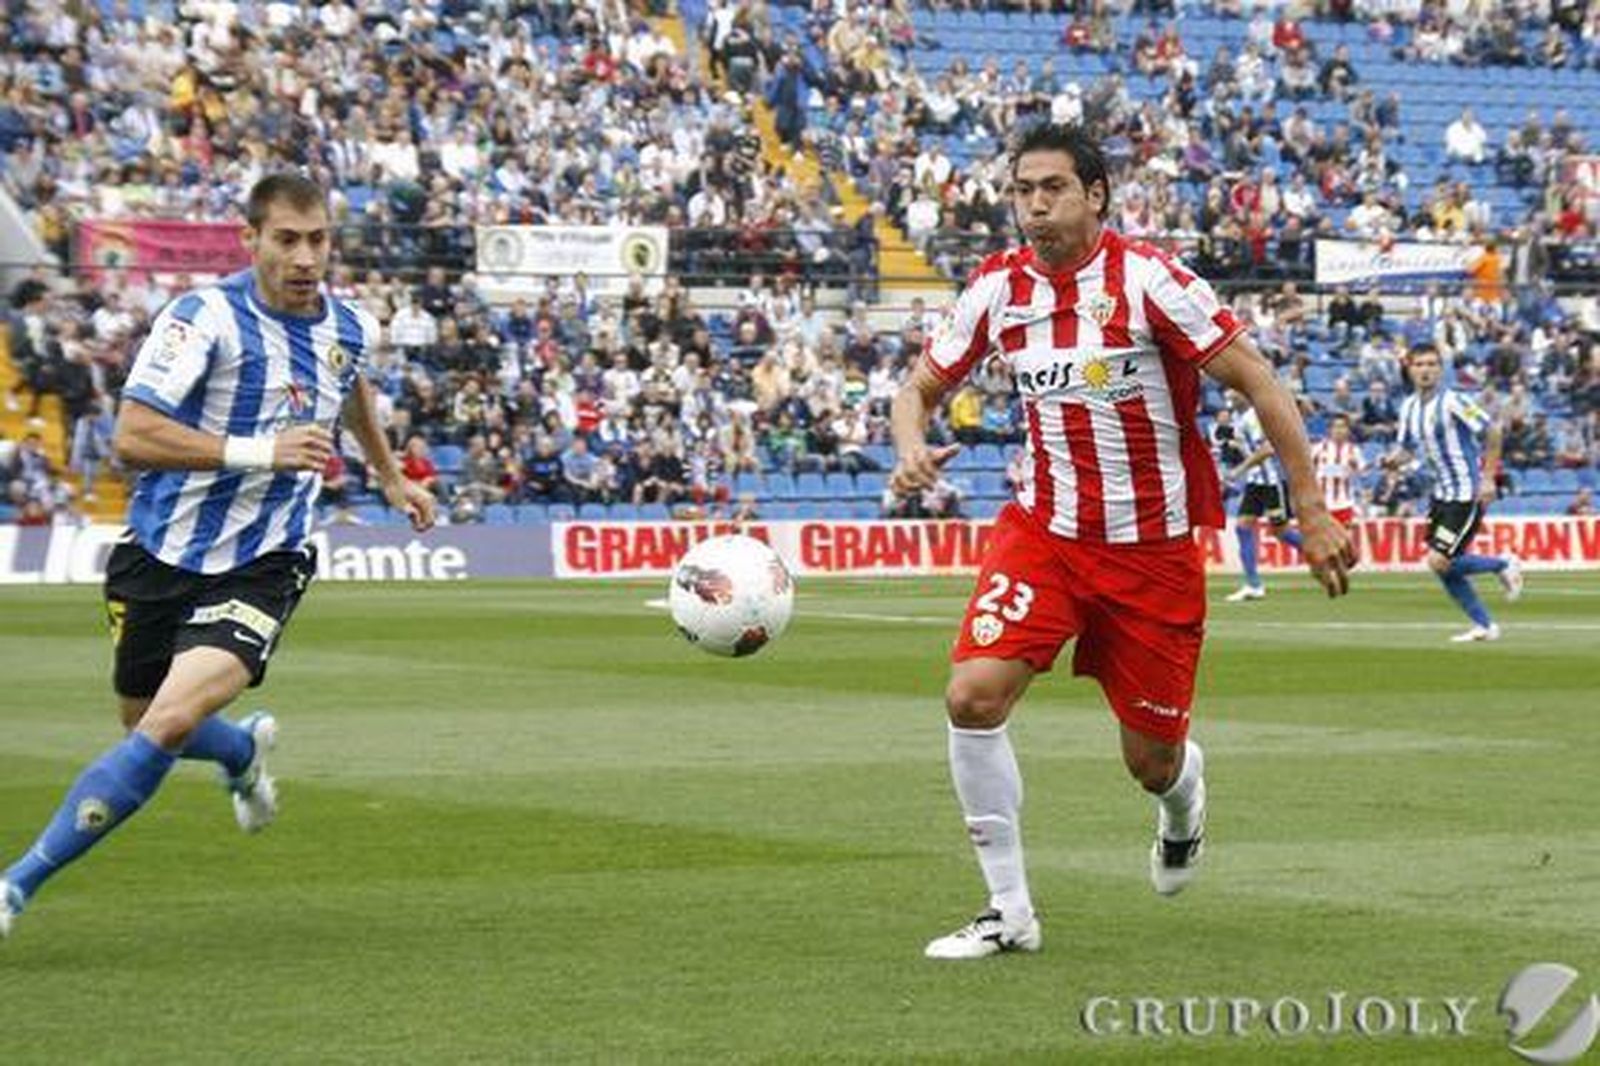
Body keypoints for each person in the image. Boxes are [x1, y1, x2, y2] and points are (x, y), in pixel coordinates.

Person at [892, 123, 1355, 961]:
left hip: (1152, 552)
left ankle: (1183, 803)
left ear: (1095, 195)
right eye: (1023, 190)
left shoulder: (1150, 281)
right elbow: (917, 386)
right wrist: (909, 447)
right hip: (1046, 534)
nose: (1035, 205)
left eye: (1053, 188)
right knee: (972, 698)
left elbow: (1259, 380)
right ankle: (1009, 911)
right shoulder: (997, 289)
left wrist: (1311, 507)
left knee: (1151, 761)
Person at [0, 174, 437, 940]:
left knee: (164, 724)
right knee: (141, 718)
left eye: (318, 239)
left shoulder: (347, 326)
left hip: (265, 559)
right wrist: (259, 451)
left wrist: (393, 475)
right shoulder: (203, 318)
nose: (306, 257)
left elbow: (351, 389)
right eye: (287, 240)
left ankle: (15, 887)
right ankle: (239, 747)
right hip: (158, 550)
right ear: (252, 239)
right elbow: (134, 436)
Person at [1389, 345, 1522, 643]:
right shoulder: (1408, 407)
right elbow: (1406, 450)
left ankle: (1503, 564)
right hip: (1441, 496)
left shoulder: (1454, 401)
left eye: (1432, 364)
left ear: (1440, 369)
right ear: (1409, 368)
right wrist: (1391, 461)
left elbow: (1493, 430)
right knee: (1444, 566)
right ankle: (1485, 626)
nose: (1426, 370)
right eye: (1420, 364)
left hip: (1467, 493)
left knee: (1438, 560)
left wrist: (1488, 479)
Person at [1223, 390, 1306, 601]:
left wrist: (1238, 469)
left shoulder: (1256, 416)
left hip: (1271, 480)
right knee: (1242, 527)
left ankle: (1326, 555)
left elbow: (1268, 449)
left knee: (1281, 531)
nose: (1229, 394)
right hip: (1255, 481)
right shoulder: (1237, 418)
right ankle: (1253, 585)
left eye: (1234, 391)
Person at [1310, 413, 1367, 527]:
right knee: (1323, 540)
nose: (1339, 430)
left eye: (1342, 427)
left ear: (1348, 430)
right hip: (1322, 505)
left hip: (1344, 504)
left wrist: (1355, 468)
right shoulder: (1318, 449)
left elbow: (1363, 473)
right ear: (1329, 430)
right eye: (1335, 426)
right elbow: (1307, 471)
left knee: (1344, 542)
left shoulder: (1354, 451)